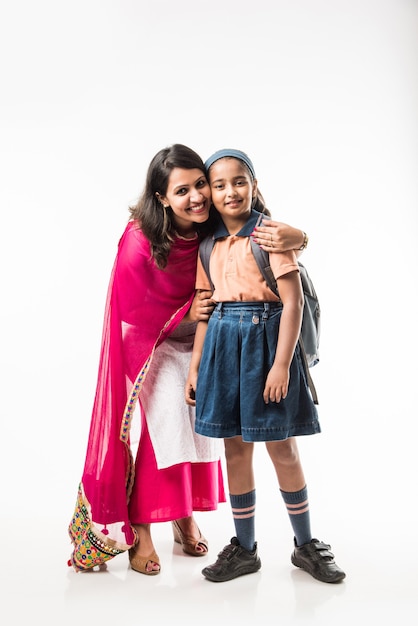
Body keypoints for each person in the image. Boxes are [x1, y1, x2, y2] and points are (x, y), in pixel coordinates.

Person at [68, 144, 306, 576]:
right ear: (162, 198)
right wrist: (184, 315)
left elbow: (260, 234)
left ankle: (181, 515)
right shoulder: (140, 240)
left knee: (199, 425)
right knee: (167, 426)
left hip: (203, 338)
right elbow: (131, 312)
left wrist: (302, 238)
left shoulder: (209, 223)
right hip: (149, 343)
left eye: (200, 185)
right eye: (182, 191)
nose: (197, 197)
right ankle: (141, 526)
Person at [185, 148, 345, 584]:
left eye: (239, 181)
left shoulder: (271, 235)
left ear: (254, 185)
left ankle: (306, 544)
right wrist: (197, 366)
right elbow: (206, 310)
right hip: (222, 345)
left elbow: (291, 302)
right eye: (219, 185)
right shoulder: (209, 245)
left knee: (282, 447)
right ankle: (244, 548)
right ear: (211, 196)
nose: (230, 191)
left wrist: (280, 367)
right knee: (235, 449)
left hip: (266, 344)